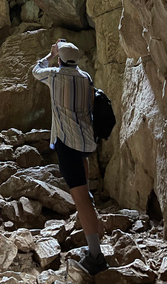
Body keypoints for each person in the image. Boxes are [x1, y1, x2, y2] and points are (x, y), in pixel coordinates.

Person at [32, 39, 109, 275]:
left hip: (68, 145)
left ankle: (95, 256)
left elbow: (35, 70)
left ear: (60, 60)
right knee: (85, 193)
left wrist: (49, 53)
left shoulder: (55, 76)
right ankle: (93, 231)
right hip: (86, 143)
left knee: (81, 198)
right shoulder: (86, 77)